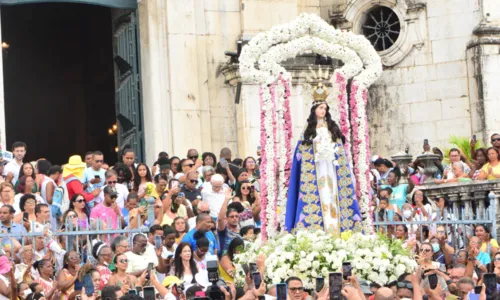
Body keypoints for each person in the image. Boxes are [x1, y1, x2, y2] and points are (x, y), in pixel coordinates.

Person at [286, 94, 363, 234]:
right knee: (321, 194)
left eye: (325, 108)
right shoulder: (308, 132)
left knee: (332, 194)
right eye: (321, 108)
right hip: (316, 170)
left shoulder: (332, 130)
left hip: (331, 170)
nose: (323, 111)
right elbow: (302, 154)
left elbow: (340, 151)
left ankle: (337, 226)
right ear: (314, 109)